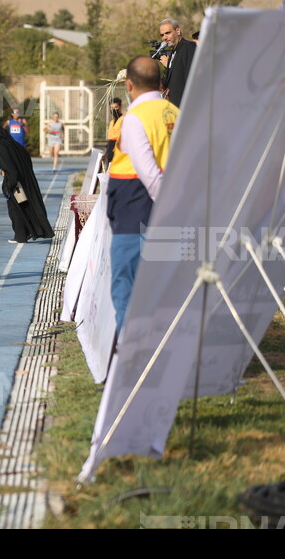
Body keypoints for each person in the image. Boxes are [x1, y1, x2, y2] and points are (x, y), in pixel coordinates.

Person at [107, 56, 178, 333]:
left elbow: (149, 172)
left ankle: (132, 350)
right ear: (160, 82)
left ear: (129, 84)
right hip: (166, 207)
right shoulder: (174, 112)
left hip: (137, 208)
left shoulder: (135, 118)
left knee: (126, 282)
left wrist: (167, 208)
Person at [0, 125, 54, 244]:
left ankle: (20, 236)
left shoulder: (1, 147)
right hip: (25, 182)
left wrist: (10, 185)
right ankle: (28, 231)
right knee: (24, 206)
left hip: (15, 184)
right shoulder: (16, 146)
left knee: (15, 209)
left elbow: (10, 168)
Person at [158, 18, 196, 108]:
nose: (164, 37)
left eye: (167, 33)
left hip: (185, 109)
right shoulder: (173, 52)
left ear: (178, 31)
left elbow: (191, 81)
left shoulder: (188, 48)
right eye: (162, 35)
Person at [104, 97, 123, 171]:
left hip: (118, 147)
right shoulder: (112, 122)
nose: (114, 110)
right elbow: (110, 137)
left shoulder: (123, 120)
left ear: (120, 107)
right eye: (111, 108)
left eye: (116, 107)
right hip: (110, 148)